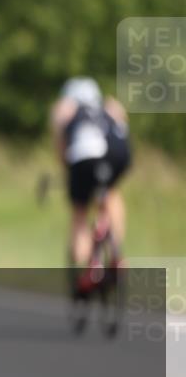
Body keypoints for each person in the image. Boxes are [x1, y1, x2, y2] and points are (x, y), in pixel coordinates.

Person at [49, 77, 132, 287]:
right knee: (111, 194)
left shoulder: (65, 108)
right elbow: (123, 130)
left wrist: (69, 172)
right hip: (118, 155)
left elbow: (62, 149)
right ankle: (116, 254)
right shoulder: (109, 106)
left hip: (84, 157)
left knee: (80, 213)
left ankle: (88, 268)